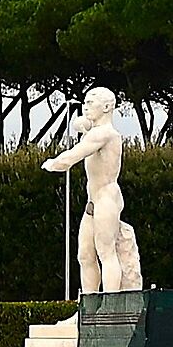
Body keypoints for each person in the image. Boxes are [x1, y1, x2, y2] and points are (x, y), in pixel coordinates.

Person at [42, 87, 131, 295]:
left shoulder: (105, 134)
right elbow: (83, 127)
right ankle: (88, 308)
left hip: (107, 198)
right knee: (85, 255)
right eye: (85, 102)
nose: (85, 106)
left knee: (106, 253)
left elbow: (76, 153)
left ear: (107, 107)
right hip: (93, 201)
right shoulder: (95, 132)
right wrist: (83, 125)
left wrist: (57, 163)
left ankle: (110, 305)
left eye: (91, 102)